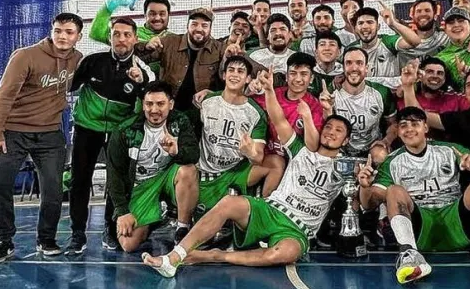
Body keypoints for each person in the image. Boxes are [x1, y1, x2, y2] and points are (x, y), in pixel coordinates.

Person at [142, 67, 353, 277]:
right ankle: (173, 258)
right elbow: (278, 119)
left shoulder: (347, 166)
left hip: (297, 229)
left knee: (286, 253)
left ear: (346, 141)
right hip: (270, 210)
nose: (331, 133)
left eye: (338, 131)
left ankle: (215, 255)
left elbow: (361, 196)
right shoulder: (301, 150)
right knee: (228, 203)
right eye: (328, 127)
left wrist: (365, 182)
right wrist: (269, 90)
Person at [357, 106, 470, 286]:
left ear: (426, 127)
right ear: (398, 131)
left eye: (415, 123)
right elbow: (368, 205)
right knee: (394, 190)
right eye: (403, 125)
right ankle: (409, 255)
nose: (409, 129)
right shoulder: (392, 162)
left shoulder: (449, 150)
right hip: (421, 229)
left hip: (456, 222)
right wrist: (365, 187)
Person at [0, 13, 85, 265]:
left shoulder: (77, 60)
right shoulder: (25, 56)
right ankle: (3, 241)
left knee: (53, 188)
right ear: (52, 32)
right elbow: (3, 95)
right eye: (58, 30)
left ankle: (47, 239)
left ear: (78, 37)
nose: (63, 36)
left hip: (50, 133)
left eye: (69, 32)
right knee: (0, 185)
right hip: (13, 131)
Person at [68, 17, 154, 253]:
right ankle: (77, 233)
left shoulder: (143, 70)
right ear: (110, 37)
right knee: (79, 180)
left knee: (117, 182)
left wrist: (141, 83)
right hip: (87, 128)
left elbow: (151, 101)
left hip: (118, 132)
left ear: (135, 39)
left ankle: (110, 227)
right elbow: (67, 87)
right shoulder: (92, 61)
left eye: (127, 35)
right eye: (116, 34)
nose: (121, 39)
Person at [106, 81, 199, 252]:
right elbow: (114, 174)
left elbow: (194, 155)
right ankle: (157, 219)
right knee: (128, 245)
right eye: (149, 104)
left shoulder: (180, 121)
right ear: (143, 105)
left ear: (170, 104)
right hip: (140, 186)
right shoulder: (124, 130)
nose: (154, 110)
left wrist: (176, 151)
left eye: (160, 104)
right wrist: (122, 212)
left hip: (166, 177)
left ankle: (182, 227)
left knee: (188, 170)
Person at [195, 56, 279, 218]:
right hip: (205, 170)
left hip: (235, 171)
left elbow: (258, 158)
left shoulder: (256, 112)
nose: (235, 74)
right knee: (205, 216)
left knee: (276, 163)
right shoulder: (207, 101)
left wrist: (250, 152)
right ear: (224, 75)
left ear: (248, 79)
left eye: (240, 71)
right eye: (231, 70)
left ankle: (263, 211)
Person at [141, 7, 224, 124]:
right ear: (187, 26)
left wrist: (213, 94)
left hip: (201, 114)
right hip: (168, 112)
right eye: (194, 24)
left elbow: (235, 75)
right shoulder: (169, 42)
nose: (199, 29)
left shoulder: (219, 49)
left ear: (210, 29)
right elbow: (141, 57)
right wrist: (146, 46)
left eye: (204, 25)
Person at [320, 46, 397, 162]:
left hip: (372, 146)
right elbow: (325, 128)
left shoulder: (381, 92)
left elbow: (393, 124)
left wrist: (386, 141)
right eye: (349, 63)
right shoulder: (331, 93)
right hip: (340, 148)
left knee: (380, 153)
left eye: (359, 63)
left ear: (367, 68)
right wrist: (327, 110)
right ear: (343, 67)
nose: (354, 68)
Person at [251, 53, 325, 158]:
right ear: (286, 76)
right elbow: (245, 107)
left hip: (294, 160)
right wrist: (250, 89)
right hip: (266, 156)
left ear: (311, 78)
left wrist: (307, 117)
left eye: (304, 74)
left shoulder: (315, 106)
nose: (298, 79)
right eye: (293, 73)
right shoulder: (272, 94)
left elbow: (313, 147)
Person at [396, 57, 469, 140]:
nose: (435, 76)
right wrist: (407, 85)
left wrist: (468, 77)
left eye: (440, 73)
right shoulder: (405, 96)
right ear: (420, 75)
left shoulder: (455, 98)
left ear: (445, 79)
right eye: (430, 72)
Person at [90, 0, 169, 46]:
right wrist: (108, 7)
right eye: (152, 14)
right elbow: (96, 33)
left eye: (162, 14)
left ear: (168, 15)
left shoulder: (173, 39)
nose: (157, 18)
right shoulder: (129, 32)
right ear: (145, 15)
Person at [348, 7, 404, 77]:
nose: (365, 26)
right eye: (360, 23)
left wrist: (394, 24)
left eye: (370, 22)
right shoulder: (351, 49)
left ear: (378, 26)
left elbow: (413, 42)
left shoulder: (388, 41)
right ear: (355, 28)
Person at [308, 30, 343, 96]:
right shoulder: (308, 74)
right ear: (316, 52)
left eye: (332, 44)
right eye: (322, 44)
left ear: (339, 52)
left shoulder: (345, 76)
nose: (327, 48)